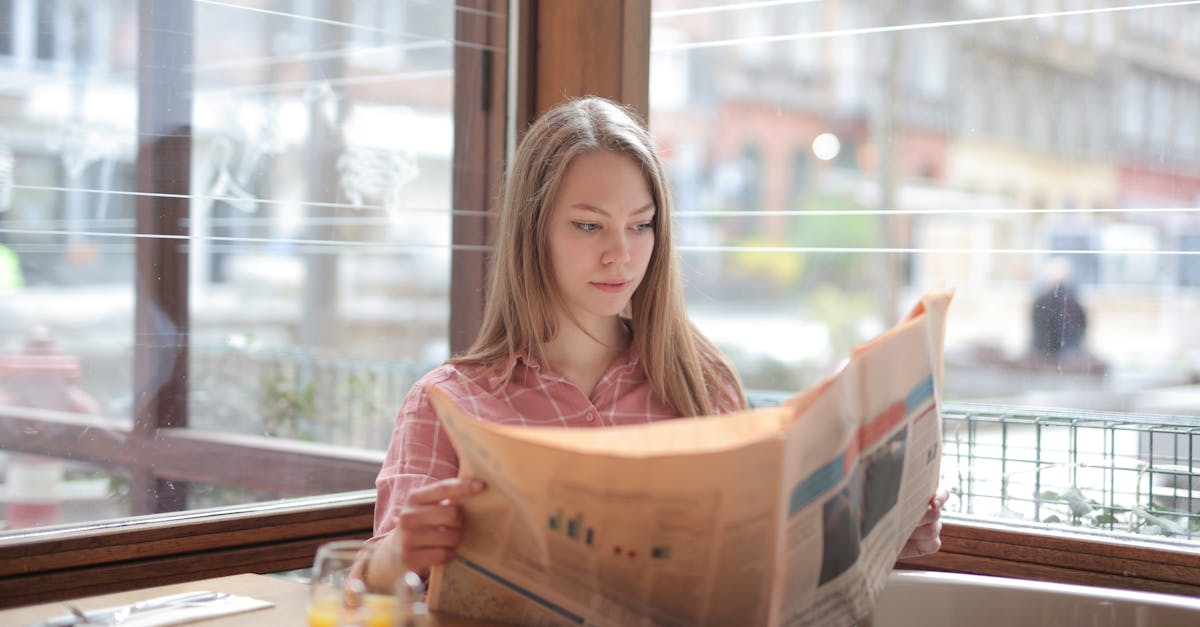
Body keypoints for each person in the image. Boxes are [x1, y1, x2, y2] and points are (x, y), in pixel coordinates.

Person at [364, 97, 948, 593]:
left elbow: (765, 569)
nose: (620, 254)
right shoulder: (445, 405)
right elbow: (369, 587)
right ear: (532, 231)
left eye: (640, 225)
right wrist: (397, 556)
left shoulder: (701, 385)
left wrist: (886, 529)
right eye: (589, 225)